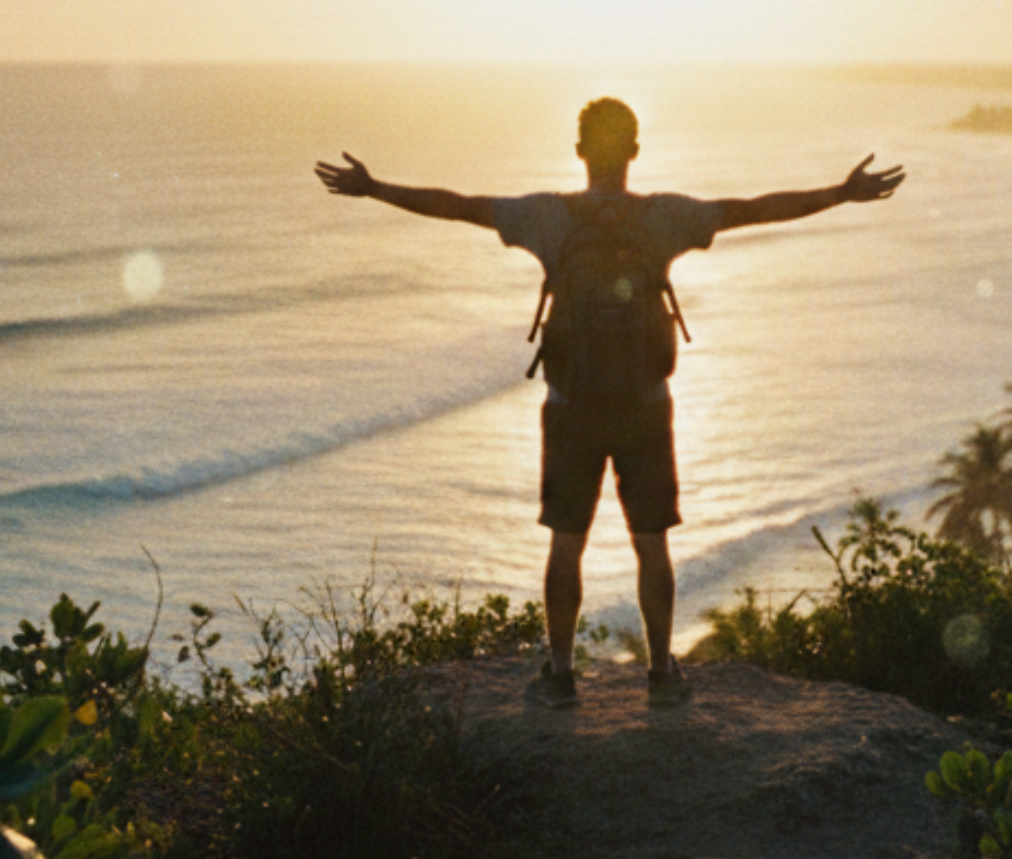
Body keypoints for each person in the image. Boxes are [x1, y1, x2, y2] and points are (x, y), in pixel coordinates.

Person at [313, 97, 902, 709]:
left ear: (579, 151)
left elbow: (458, 206)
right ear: (635, 152)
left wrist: (374, 187)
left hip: (570, 406)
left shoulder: (547, 217)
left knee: (566, 541)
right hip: (646, 405)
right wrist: (840, 192)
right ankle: (660, 672)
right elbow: (752, 210)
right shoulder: (666, 217)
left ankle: (562, 672)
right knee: (652, 542)